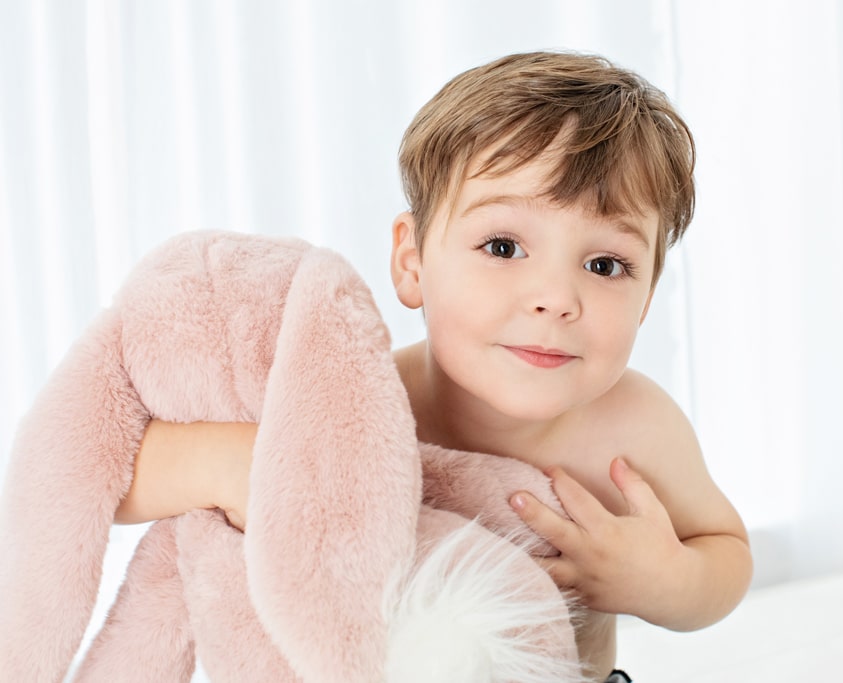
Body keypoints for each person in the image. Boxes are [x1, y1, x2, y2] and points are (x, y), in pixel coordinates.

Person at [116, 50, 753, 682]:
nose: (557, 299)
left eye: (606, 265)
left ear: (648, 296)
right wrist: (232, 463)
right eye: (503, 247)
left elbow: (725, 551)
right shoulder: (361, 397)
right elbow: (109, 479)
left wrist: (664, 580)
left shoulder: (635, 430)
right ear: (413, 261)